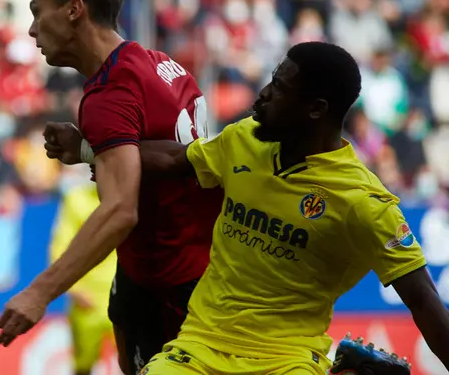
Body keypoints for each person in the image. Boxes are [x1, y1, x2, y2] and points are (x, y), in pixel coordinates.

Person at [44, 42, 449, 374]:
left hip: (285, 360)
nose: (264, 93)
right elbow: (172, 159)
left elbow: (425, 302)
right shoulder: (244, 140)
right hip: (198, 346)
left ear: (316, 109)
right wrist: (86, 149)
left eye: (280, 87)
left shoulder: (365, 203)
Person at [0, 0, 223, 374]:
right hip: (194, 269)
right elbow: (173, 157)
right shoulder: (161, 65)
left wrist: (40, 292)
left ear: (74, 10)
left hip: (169, 285)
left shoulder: (108, 95)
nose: (31, 29)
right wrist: (88, 149)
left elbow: (120, 209)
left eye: (37, 11)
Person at [49, 182, 116, 375]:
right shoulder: (76, 200)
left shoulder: (135, 197)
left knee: (137, 361)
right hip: (88, 298)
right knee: (83, 364)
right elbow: (60, 247)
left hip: (126, 295)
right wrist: (75, 288)